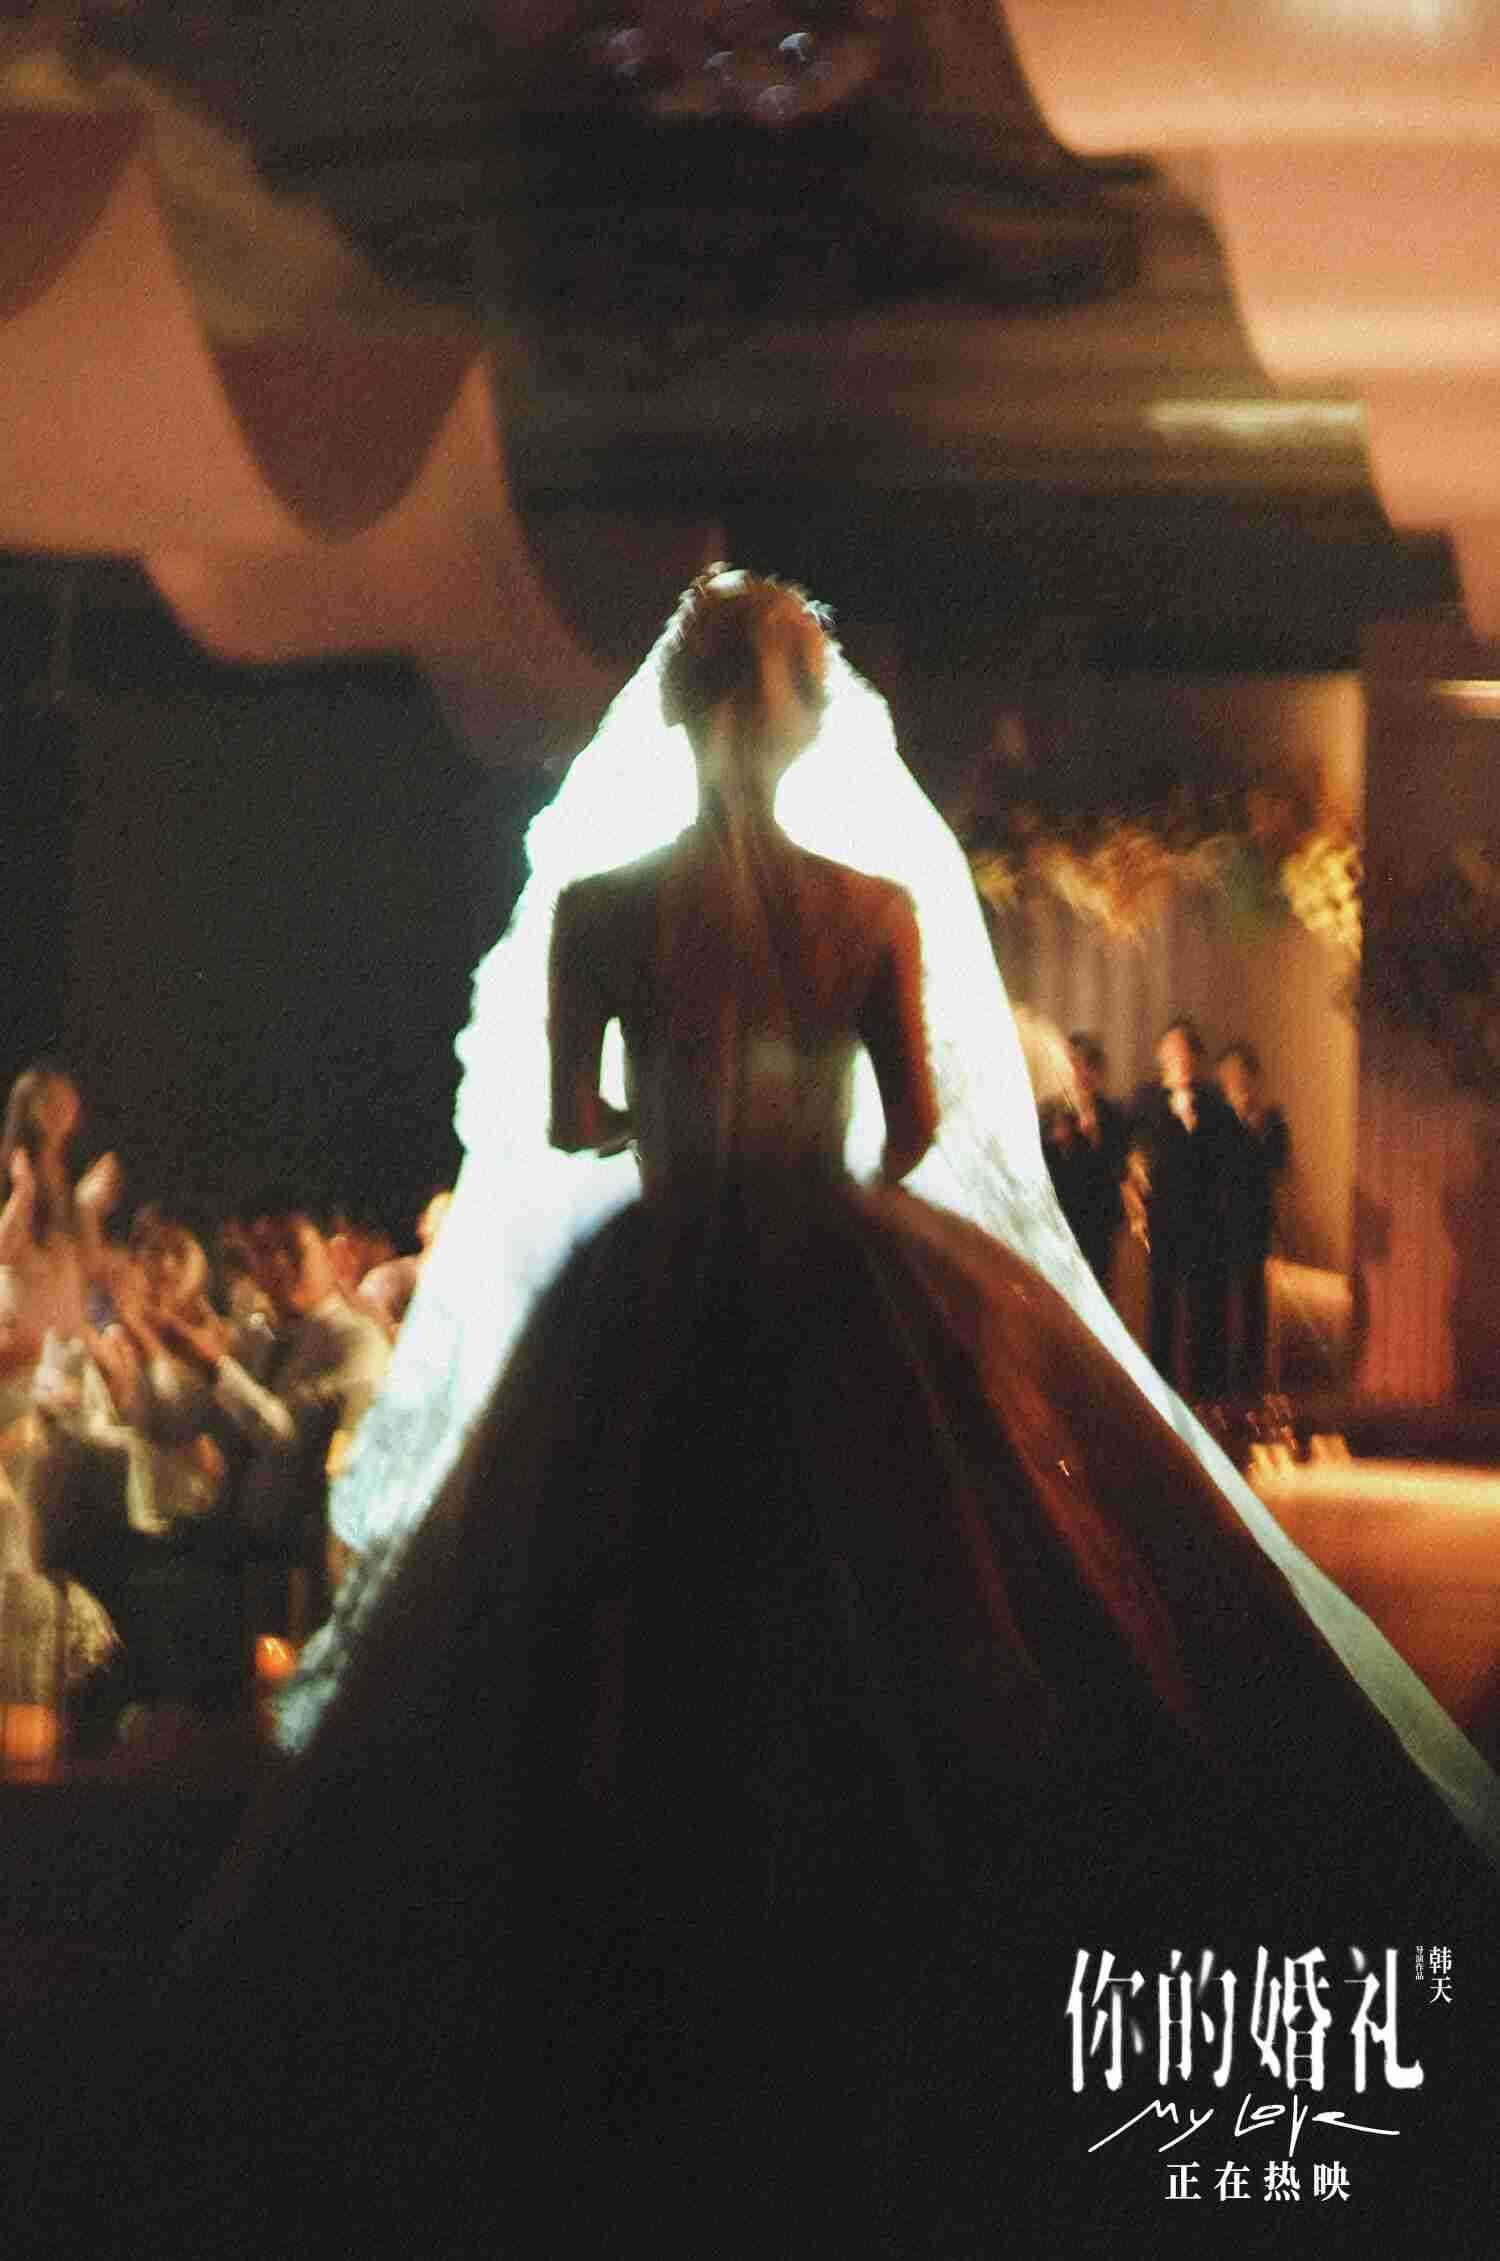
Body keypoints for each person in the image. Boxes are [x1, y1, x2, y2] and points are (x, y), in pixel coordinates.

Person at [47, 573, 1500, 2261]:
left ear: (676, 718)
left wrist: (662, 1135)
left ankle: (631, 2006)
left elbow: (576, 1120)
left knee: (613, 1613)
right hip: (845, 1271)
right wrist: (816, 1157)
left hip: (658, 1279)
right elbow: (917, 1131)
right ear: (809, 720)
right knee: (911, 1593)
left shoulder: (606, 908)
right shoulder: (865, 903)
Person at [1127, 1018, 1239, 1402]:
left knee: (1205, 1309)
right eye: (1172, 1049)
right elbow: (1129, 1147)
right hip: (1162, 1219)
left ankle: (1208, 1394)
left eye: (1186, 1050)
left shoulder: (1215, 1102)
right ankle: (1161, 1390)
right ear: (1161, 1054)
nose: (1179, 1056)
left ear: (1197, 1057)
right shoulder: (1145, 1099)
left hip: (1206, 1221)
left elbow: (1228, 1158)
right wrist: (1134, 1181)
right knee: (1161, 1306)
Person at [1216, 1039, 1291, 1397]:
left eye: (1238, 1072)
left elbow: (1278, 1164)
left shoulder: (1271, 1118)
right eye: (1227, 1073)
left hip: (1254, 1221)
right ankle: (1216, 1377)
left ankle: (1250, 1380)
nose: (1232, 1079)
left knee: (1252, 1301)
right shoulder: (1214, 1117)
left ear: (1252, 1076)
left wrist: (1253, 1126)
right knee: (1214, 1301)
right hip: (1216, 1222)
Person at [1039, 1031, 1129, 1291]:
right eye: (1072, 1064)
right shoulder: (1048, 1112)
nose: (1079, 1073)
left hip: (1098, 1222)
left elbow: (1119, 1166)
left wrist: (1095, 1137)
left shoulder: (1113, 1113)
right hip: (1058, 1218)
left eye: (1086, 1065)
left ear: (1098, 1072)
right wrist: (1060, 1145)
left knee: (1098, 1290)